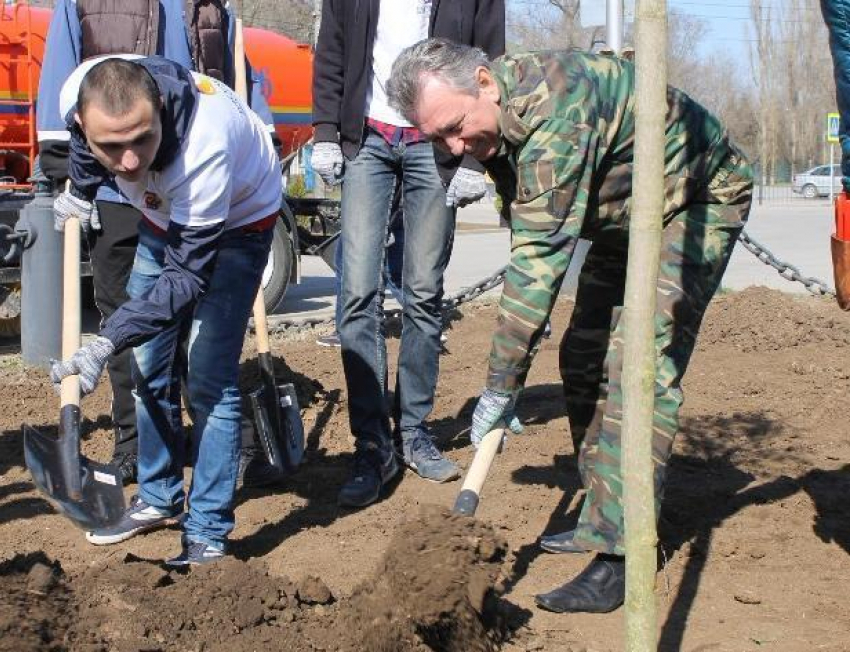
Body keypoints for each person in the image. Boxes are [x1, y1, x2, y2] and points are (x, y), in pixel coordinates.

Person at [388, 39, 753, 613]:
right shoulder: (500, 115)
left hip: (695, 199)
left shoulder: (555, 112)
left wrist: (499, 388)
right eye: (439, 138)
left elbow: (536, 269)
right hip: (623, 214)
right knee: (583, 354)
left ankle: (623, 552)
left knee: (637, 367)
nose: (456, 148)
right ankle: (601, 513)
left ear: (485, 82)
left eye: (456, 127)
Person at [49, 55, 280, 565]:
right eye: (112, 145)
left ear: (159, 110)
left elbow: (185, 278)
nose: (128, 161)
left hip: (240, 222)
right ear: (83, 124)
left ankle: (208, 529)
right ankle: (157, 496)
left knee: (208, 379)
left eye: (141, 140)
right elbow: (88, 152)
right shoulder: (78, 96)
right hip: (161, 212)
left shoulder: (204, 146)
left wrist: (109, 336)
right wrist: (82, 190)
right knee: (148, 363)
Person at [310, 0, 505, 508]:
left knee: (422, 293)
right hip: (368, 137)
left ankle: (413, 431)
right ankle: (372, 444)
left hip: (438, 145)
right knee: (356, 293)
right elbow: (331, 50)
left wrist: (477, 160)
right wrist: (326, 132)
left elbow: (493, 62)